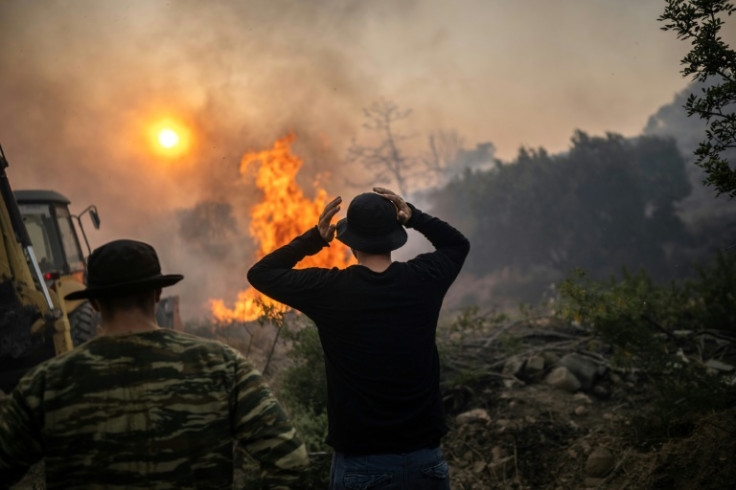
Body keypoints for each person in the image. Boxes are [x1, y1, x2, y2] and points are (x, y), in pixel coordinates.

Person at [0, 239, 309, 489]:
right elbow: (290, 460)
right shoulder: (221, 366)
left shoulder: (48, 382)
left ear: (93, 303)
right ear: (158, 292)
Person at [247, 187, 470, 489]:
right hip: (426, 464)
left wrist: (315, 238)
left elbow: (261, 273)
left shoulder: (330, 290)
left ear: (349, 240)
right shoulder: (424, 278)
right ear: (394, 235)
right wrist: (413, 216)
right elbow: (457, 245)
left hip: (363, 467)